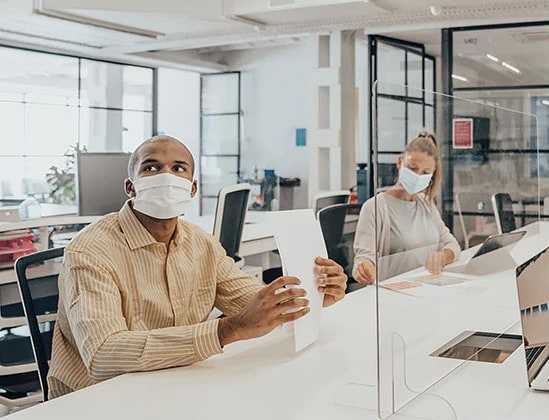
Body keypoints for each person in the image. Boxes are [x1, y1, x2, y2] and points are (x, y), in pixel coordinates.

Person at [48, 135, 348, 399]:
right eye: (151, 167)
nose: (166, 175)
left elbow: (252, 303)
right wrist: (227, 330)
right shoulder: (90, 251)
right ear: (131, 186)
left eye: (178, 168)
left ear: (191, 188)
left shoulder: (201, 243)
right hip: (96, 402)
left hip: (174, 384)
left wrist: (308, 294)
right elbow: (103, 354)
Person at [353, 130, 461, 284]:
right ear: (399, 163)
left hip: (428, 287)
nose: (418, 176)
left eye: (425, 172)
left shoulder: (426, 203)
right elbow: (363, 259)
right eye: (412, 168)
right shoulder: (375, 207)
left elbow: (453, 245)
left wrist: (443, 257)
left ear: (432, 174)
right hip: (394, 293)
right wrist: (364, 268)